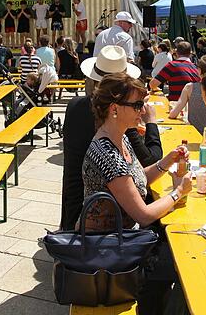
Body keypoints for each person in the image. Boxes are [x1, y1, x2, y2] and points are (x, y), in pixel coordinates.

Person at [82, 72, 192, 314]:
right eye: (137, 105)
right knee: (181, 266)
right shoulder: (108, 154)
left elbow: (137, 179)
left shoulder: (118, 138)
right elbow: (143, 215)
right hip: (111, 251)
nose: (142, 111)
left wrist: (166, 161)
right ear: (114, 108)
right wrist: (178, 193)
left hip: (123, 239)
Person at [61, 45, 164, 231]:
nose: (139, 109)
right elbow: (151, 158)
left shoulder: (75, 106)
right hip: (100, 233)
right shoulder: (116, 124)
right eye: (136, 104)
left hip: (72, 208)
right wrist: (151, 123)